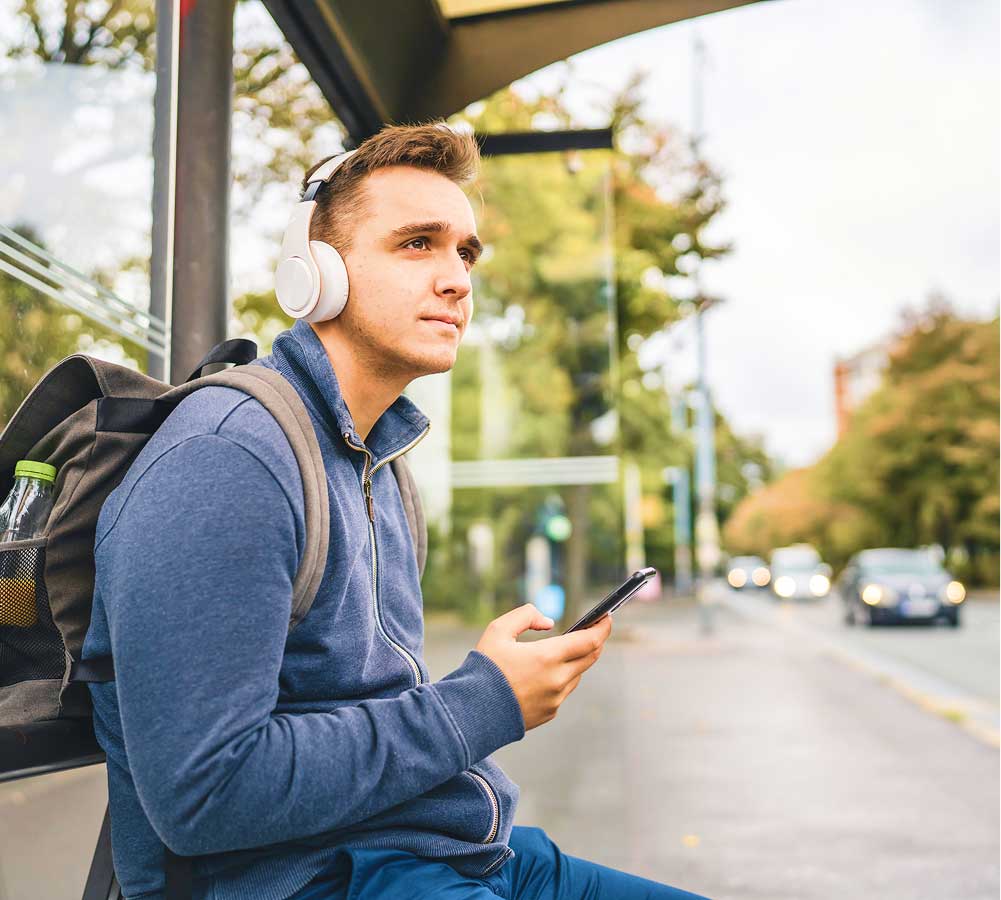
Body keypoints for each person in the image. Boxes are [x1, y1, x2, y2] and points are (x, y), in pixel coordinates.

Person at [84, 123, 709, 900]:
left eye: (465, 252)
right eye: (417, 244)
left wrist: (480, 700)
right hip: (320, 882)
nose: (456, 278)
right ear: (314, 274)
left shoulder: (378, 459)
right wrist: (485, 702)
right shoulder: (228, 459)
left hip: (449, 852)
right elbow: (205, 794)